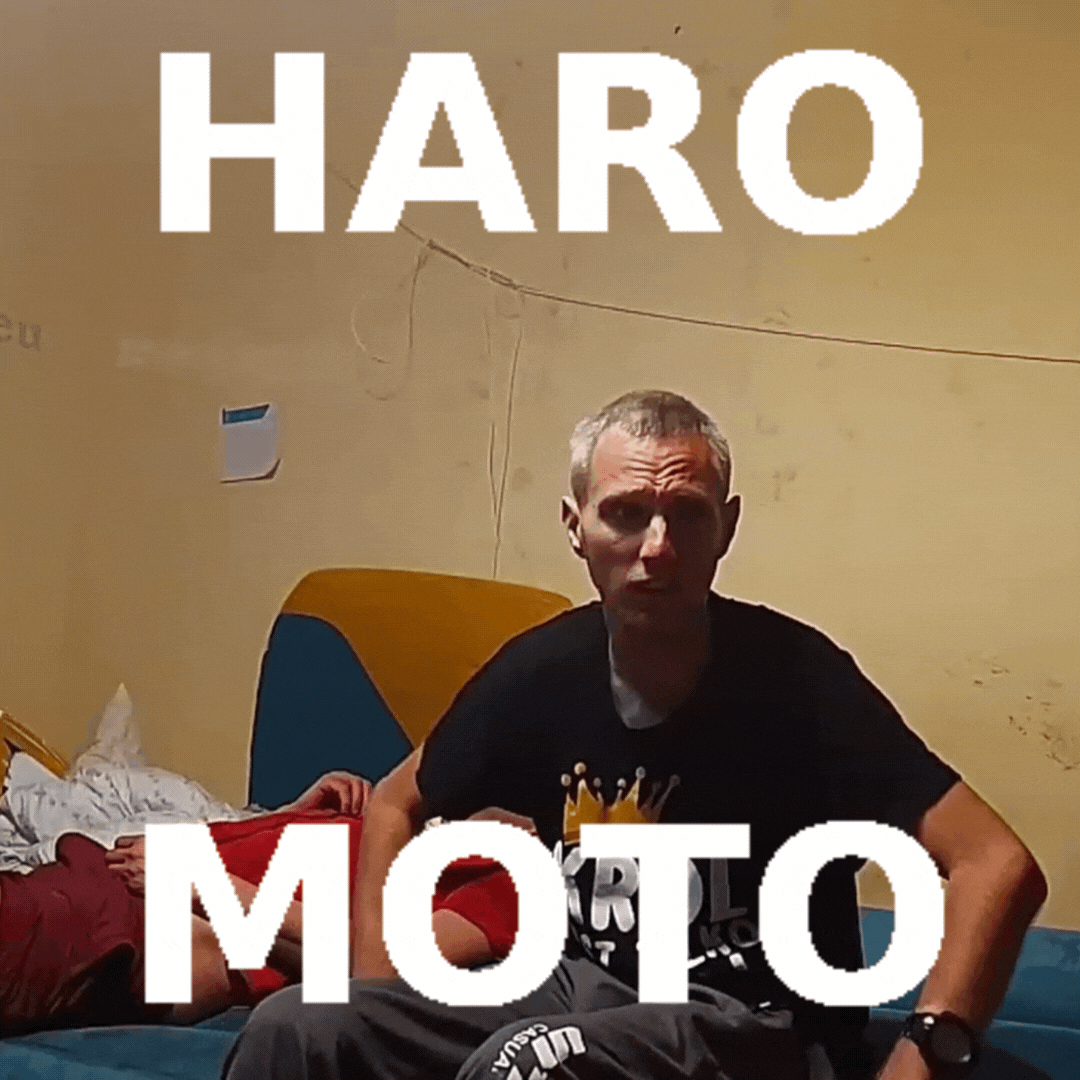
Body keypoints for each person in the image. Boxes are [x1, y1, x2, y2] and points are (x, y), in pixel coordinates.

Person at [222, 390, 1048, 1080]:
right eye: (626, 514)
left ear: (725, 528)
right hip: (577, 990)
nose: (657, 548)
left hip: (758, 1024)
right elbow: (396, 803)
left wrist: (923, 1057)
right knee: (300, 1026)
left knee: (530, 1061)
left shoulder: (798, 679)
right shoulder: (540, 670)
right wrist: (378, 988)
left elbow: (997, 864)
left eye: (686, 515)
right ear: (575, 526)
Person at [0, 770, 518, 1036]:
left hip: (137, 935)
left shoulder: (510, 877)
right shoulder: (420, 820)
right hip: (100, 883)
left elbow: (383, 966)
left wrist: (205, 883)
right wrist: (290, 817)